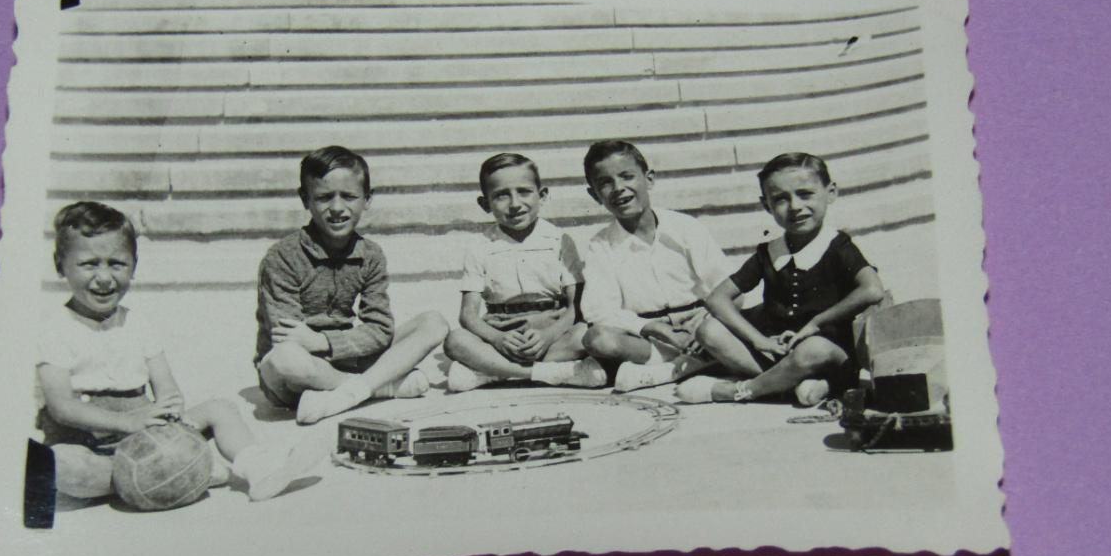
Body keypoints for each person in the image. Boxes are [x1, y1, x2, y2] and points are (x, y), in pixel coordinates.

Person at [36, 202, 309, 503]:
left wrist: (168, 414)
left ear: (134, 266)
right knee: (61, 464)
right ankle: (176, 473)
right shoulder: (55, 329)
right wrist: (126, 422)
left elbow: (166, 386)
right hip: (89, 441)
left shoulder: (137, 323)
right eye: (89, 264)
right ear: (60, 265)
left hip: (146, 438)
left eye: (116, 263)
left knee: (220, 408)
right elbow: (62, 406)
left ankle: (256, 466)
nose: (104, 277)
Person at [255, 145, 448, 424]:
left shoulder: (370, 254)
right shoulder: (282, 257)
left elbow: (380, 328)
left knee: (434, 322)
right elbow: (288, 337)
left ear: (367, 199)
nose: (336, 208)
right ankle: (379, 386)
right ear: (305, 199)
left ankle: (348, 392)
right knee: (285, 359)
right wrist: (325, 346)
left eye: (348, 196)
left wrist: (324, 341)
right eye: (323, 197)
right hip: (296, 375)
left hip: (343, 355)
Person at [678, 152, 886, 405]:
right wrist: (759, 340)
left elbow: (873, 289)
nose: (795, 206)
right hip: (779, 352)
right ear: (766, 205)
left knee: (812, 350)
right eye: (780, 199)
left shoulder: (837, 246)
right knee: (709, 330)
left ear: (831, 192)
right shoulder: (770, 251)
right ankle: (791, 386)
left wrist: (816, 323)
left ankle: (742, 390)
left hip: (828, 351)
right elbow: (718, 299)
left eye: (805, 194)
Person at [578, 140, 750, 391]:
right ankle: (695, 364)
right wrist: (654, 328)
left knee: (733, 321)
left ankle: (672, 370)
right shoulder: (601, 245)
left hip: (702, 322)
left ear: (648, 179)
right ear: (594, 195)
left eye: (627, 176)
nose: (618, 188)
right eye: (605, 183)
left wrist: (706, 321)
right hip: (650, 336)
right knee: (597, 339)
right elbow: (599, 310)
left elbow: (727, 285)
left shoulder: (685, 227)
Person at [442, 153, 606, 391]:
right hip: (503, 335)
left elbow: (577, 306)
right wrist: (497, 339)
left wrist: (549, 335)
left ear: (543, 195)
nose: (515, 203)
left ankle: (493, 372)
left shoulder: (559, 240)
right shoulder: (479, 247)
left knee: (586, 334)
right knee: (455, 340)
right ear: (485, 204)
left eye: (524, 192)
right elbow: (467, 315)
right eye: (501, 195)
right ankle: (548, 373)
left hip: (552, 332)